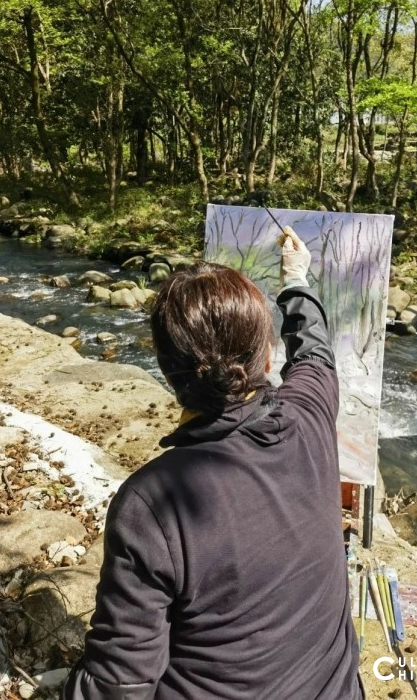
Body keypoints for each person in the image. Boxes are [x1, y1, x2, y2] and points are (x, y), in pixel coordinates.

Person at [62, 227, 363, 700]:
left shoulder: (152, 502)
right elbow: (315, 351)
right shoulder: (309, 415)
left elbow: (119, 684)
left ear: (165, 368)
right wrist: (296, 280)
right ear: (266, 355)